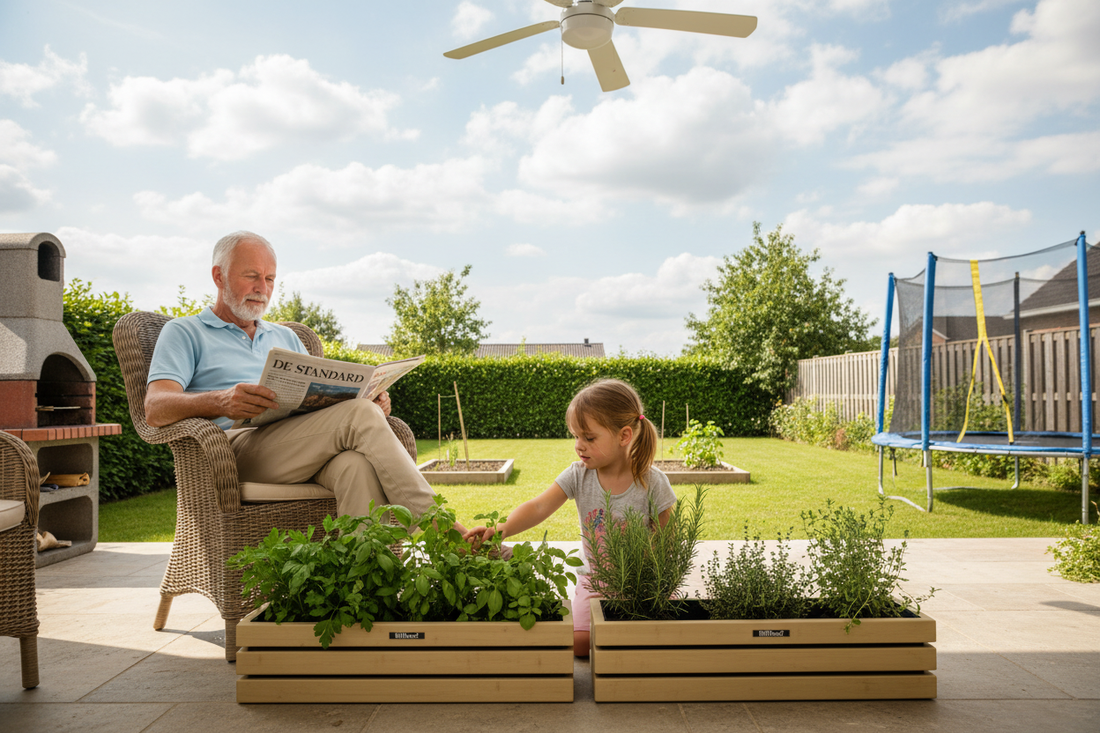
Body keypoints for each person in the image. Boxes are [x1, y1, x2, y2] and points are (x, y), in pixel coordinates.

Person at [144, 230, 462, 532]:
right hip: (230, 453)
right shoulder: (185, 332)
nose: (262, 288)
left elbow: (323, 401)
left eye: (270, 279)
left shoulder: (285, 336)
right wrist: (222, 400)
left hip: (297, 446)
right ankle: (446, 533)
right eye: (251, 276)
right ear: (219, 276)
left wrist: (369, 397)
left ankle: (363, 581)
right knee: (359, 416)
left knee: (355, 466)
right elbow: (155, 408)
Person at [463, 378, 675, 656]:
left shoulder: (652, 481)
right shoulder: (579, 475)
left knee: (646, 641)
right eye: (575, 436)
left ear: (624, 436)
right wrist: (500, 529)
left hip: (641, 584)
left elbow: (667, 537)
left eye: (589, 437)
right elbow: (539, 507)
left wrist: (652, 580)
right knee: (579, 645)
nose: (579, 445)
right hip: (596, 583)